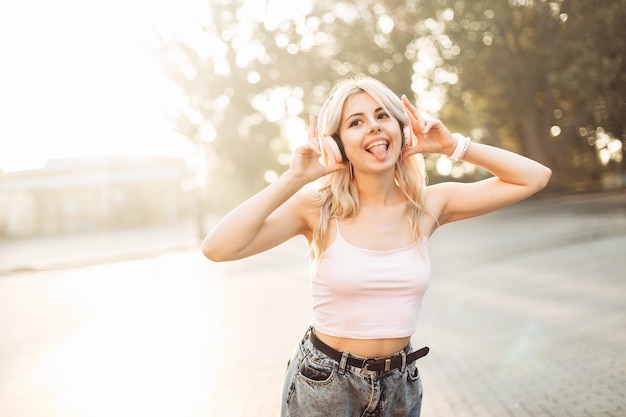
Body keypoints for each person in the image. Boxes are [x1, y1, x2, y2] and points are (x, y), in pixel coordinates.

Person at [201, 75, 552, 417]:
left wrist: (451, 146)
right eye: (356, 121)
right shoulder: (317, 208)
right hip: (326, 385)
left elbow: (535, 177)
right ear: (338, 144)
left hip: (401, 383)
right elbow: (217, 248)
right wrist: (296, 178)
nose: (373, 126)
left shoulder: (429, 205)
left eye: (382, 116)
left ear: (402, 131)